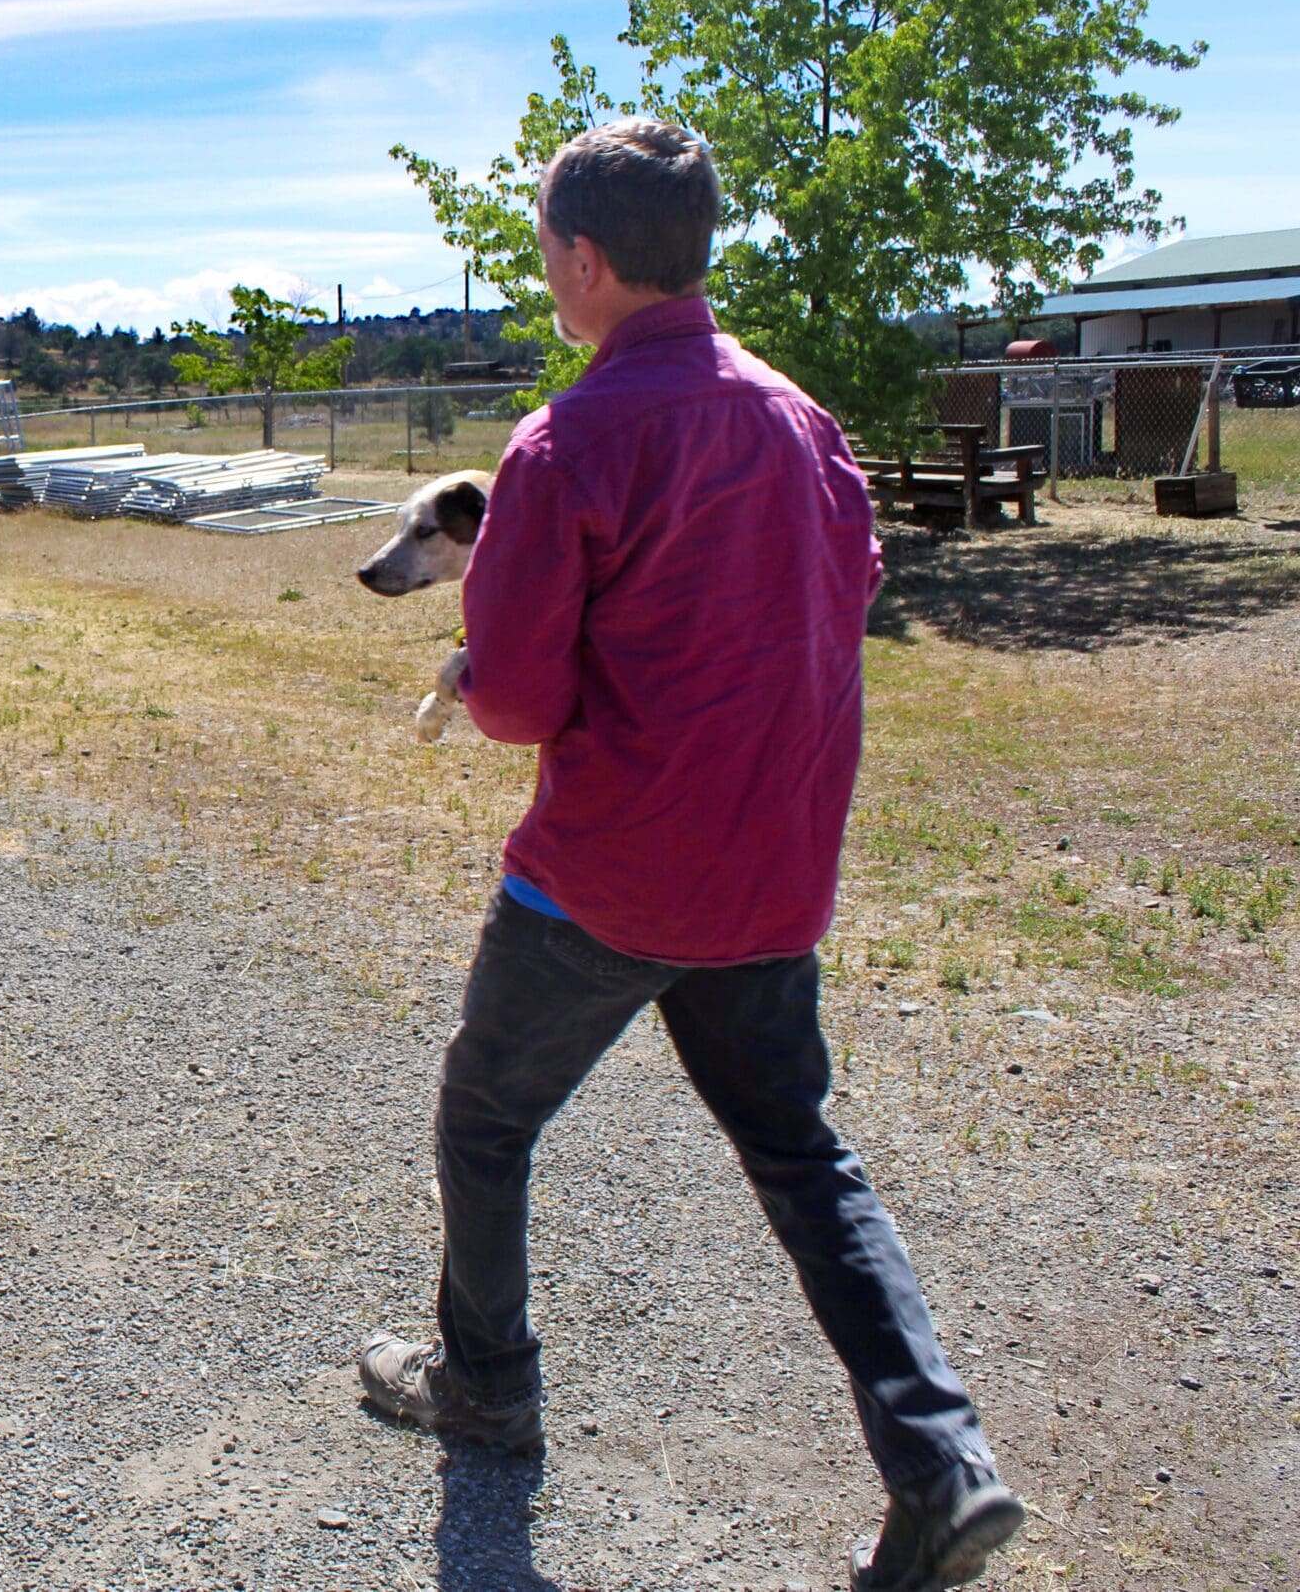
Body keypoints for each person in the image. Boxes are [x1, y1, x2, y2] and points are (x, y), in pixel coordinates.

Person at [354, 118, 1024, 1592]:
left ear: (585, 262)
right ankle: (941, 1463)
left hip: (599, 878)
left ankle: (489, 1384)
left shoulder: (566, 440)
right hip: (769, 871)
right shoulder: (805, 422)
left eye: (545, 252)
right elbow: (843, 592)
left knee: (485, 1117)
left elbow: (524, 691)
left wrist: (476, 677)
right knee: (802, 1153)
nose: (546, 274)